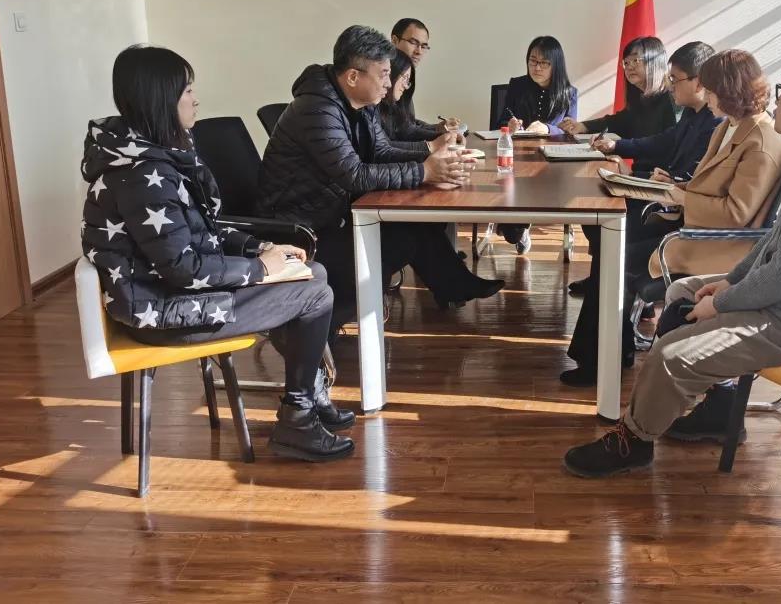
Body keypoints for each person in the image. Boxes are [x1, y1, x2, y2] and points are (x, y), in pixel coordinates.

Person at [562, 43, 781, 478]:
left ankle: (633, 440)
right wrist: (730, 282)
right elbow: (777, 240)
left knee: (670, 353)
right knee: (684, 291)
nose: (776, 97)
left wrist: (723, 302)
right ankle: (712, 410)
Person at [80, 45, 353, 463]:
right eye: (187, 90)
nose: (196, 100)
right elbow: (184, 268)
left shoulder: (153, 157)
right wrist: (260, 269)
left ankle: (306, 396)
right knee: (314, 293)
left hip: (172, 297)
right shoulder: (142, 176)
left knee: (310, 272)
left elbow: (200, 232)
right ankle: (297, 419)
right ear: (161, 100)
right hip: (162, 312)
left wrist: (261, 248)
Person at [561, 48, 781, 387]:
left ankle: (600, 360)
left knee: (614, 256)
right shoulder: (730, 127)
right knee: (614, 249)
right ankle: (606, 355)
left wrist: (681, 197)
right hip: (696, 229)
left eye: (711, 90)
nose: (707, 97)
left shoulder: (760, 141)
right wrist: (677, 186)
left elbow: (736, 213)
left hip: (718, 246)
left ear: (728, 92)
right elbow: (708, 184)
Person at [256, 25, 503, 325]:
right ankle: (327, 318)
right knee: (406, 237)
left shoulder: (361, 101)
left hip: (334, 213)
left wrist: (433, 156)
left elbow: (381, 151)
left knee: (415, 223)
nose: (389, 83)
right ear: (353, 76)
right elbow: (354, 175)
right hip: (302, 232)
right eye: (384, 74)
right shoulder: (317, 110)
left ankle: (454, 285)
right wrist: (425, 170)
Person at [568, 41, 720, 297]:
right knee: (599, 210)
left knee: (608, 226)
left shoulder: (714, 122)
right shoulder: (694, 113)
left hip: (673, 213)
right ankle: (603, 291)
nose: (670, 84)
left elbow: (690, 179)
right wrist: (618, 149)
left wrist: (638, 176)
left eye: (675, 79)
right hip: (661, 193)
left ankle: (610, 298)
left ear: (698, 82)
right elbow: (665, 140)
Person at [494, 36, 578, 254]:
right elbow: (501, 120)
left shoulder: (569, 92)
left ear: (555, 64)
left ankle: (519, 221)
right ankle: (516, 225)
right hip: (518, 158)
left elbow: (571, 129)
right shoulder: (517, 85)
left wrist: (548, 129)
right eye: (533, 61)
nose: (537, 67)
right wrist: (510, 124)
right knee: (511, 232)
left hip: (553, 163)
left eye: (544, 63)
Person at [559, 36, 677, 176]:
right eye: (626, 62)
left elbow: (665, 143)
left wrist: (616, 146)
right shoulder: (641, 97)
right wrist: (583, 126)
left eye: (635, 60)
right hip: (639, 175)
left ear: (655, 61)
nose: (629, 67)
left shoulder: (673, 98)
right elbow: (619, 122)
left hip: (660, 178)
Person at [377, 50, 456, 160]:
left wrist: (442, 135)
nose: (405, 86)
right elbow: (382, 148)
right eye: (404, 78)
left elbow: (406, 129)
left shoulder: (393, 102)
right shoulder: (370, 105)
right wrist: (430, 146)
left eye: (408, 81)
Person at [390, 18, 454, 141]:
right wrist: (435, 141)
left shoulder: (405, 76)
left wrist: (436, 129)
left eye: (424, 46)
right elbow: (388, 140)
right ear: (394, 41)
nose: (419, 51)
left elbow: (406, 123)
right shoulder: (383, 78)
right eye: (413, 42)